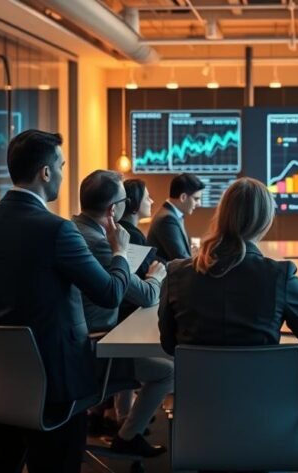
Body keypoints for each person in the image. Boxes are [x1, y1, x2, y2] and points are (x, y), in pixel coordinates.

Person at [0, 130, 131, 473]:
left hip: (2, 375)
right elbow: (110, 293)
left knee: (0, 462)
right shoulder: (57, 230)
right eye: (60, 165)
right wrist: (120, 252)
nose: (61, 172)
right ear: (45, 173)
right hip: (56, 381)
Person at [159, 177, 298, 358]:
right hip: (262, 387)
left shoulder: (176, 272)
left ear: (221, 215)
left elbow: (168, 344)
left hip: (196, 386)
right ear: (265, 220)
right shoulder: (280, 276)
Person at [73, 170, 172, 458]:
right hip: (96, 347)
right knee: (168, 372)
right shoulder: (102, 243)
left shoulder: (74, 229)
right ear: (113, 209)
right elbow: (147, 295)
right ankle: (127, 436)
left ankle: (113, 419)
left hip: (84, 339)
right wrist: (156, 274)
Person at [147, 173, 205, 261]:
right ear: (183, 197)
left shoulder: (172, 214)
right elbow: (181, 259)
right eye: (196, 199)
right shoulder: (167, 219)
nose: (199, 204)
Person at [119, 179, 153, 276]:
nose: (151, 201)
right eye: (147, 198)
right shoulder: (133, 236)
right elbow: (142, 275)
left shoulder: (122, 228)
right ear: (135, 202)